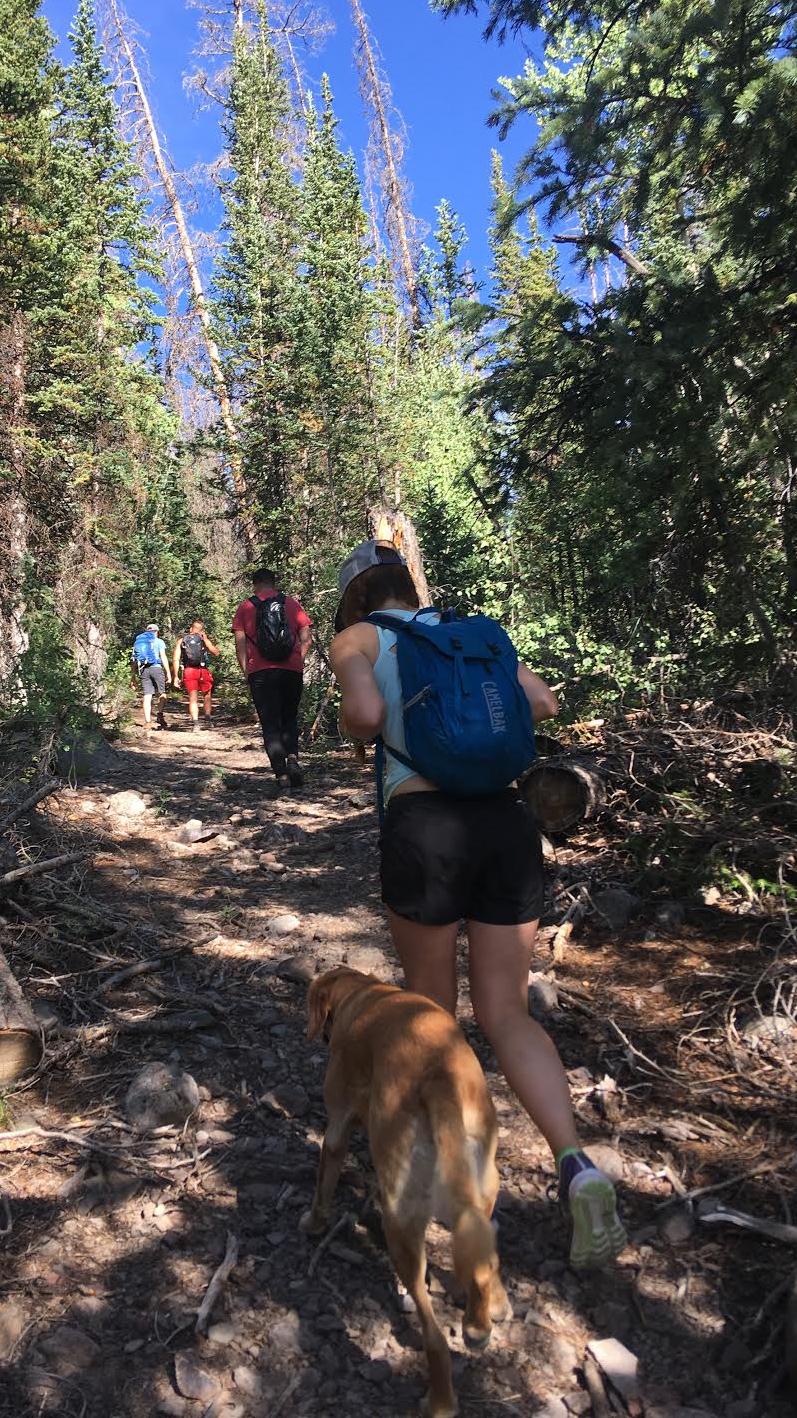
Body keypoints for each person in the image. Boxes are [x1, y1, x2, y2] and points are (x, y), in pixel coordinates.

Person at [329, 540, 627, 1270]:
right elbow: (543, 703)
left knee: (431, 1016)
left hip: (423, 828)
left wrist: (351, 725)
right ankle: (576, 1167)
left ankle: (454, 1179)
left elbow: (365, 714)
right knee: (509, 1014)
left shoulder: (359, 638)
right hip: (506, 824)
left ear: (360, 598)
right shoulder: (476, 632)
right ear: (412, 586)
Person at [232, 569, 312, 793]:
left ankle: (282, 775)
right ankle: (293, 758)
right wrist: (296, 660)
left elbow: (240, 645)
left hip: (261, 673)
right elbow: (307, 639)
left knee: (270, 723)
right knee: (289, 717)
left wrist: (247, 671)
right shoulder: (292, 604)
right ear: (274, 584)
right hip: (291, 671)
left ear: (255, 585)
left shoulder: (246, 607)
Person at [172, 619, 220, 731]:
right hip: (203, 670)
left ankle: (195, 723)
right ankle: (208, 719)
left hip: (189, 671)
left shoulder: (182, 640)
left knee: (193, 698)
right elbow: (216, 652)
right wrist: (206, 640)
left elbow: (176, 659)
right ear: (201, 630)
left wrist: (176, 676)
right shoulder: (203, 639)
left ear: (190, 629)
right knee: (207, 695)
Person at [132, 622, 170, 734]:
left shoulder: (139, 642)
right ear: (157, 632)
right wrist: (168, 672)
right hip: (157, 668)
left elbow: (134, 661)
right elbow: (163, 656)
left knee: (147, 695)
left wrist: (133, 677)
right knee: (162, 693)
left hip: (143, 670)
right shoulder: (159, 642)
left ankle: (147, 721)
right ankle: (159, 715)